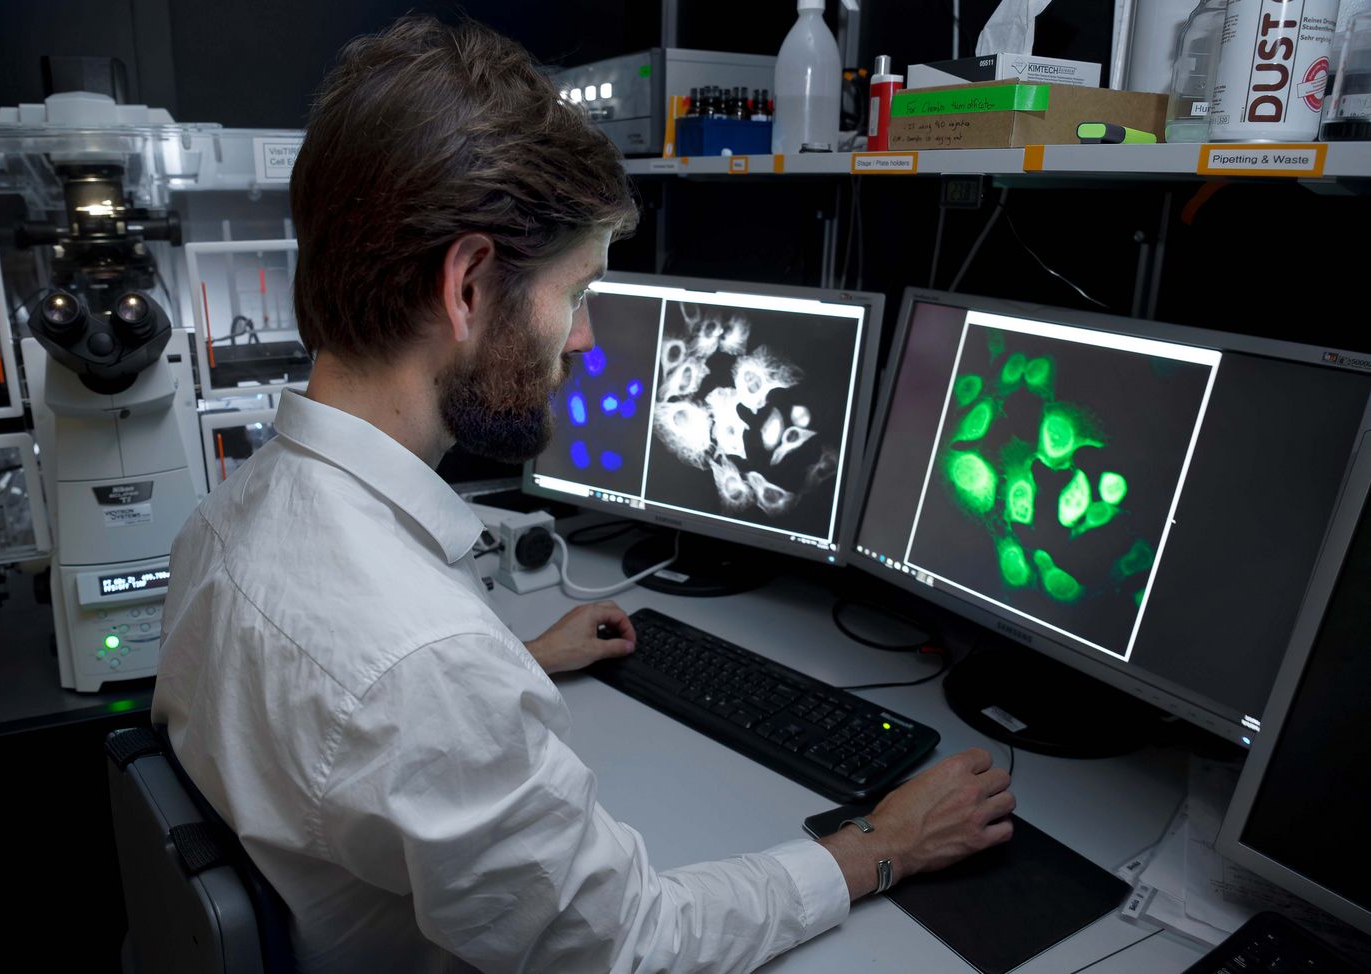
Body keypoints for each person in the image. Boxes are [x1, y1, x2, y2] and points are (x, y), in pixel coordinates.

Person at [152, 15, 1015, 974]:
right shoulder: (428, 674)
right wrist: (877, 847)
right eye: (576, 292)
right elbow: (633, 948)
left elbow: (344, 721)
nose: (586, 339)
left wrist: (514, 663)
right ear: (470, 287)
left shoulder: (227, 523)